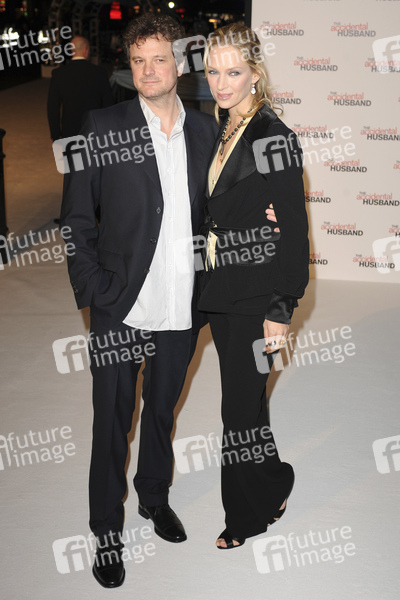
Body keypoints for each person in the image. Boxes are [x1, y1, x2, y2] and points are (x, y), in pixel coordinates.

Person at [60, 15, 219, 588]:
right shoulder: (103, 125)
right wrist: (95, 291)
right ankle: (106, 529)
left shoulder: (206, 131)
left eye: (159, 59)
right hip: (120, 305)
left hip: (181, 304)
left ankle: (154, 496)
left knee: (161, 412)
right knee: (111, 422)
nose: (149, 71)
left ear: (179, 63)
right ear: (129, 68)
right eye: (138, 61)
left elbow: (216, 213)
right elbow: (77, 218)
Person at [198, 22, 309, 549]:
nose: (221, 84)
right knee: (249, 402)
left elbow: (296, 228)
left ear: (255, 74)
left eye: (233, 72)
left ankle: (244, 517)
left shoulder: (273, 136)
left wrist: (281, 308)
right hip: (218, 287)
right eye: (213, 72)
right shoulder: (219, 128)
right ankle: (275, 480)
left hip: (256, 293)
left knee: (237, 411)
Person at [47, 36, 114, 141]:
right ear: (86, 50)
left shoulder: (58, 74)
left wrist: (55, 136)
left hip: (69, 131)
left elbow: (52, 108)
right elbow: (108, 105)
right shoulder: (100, 73)